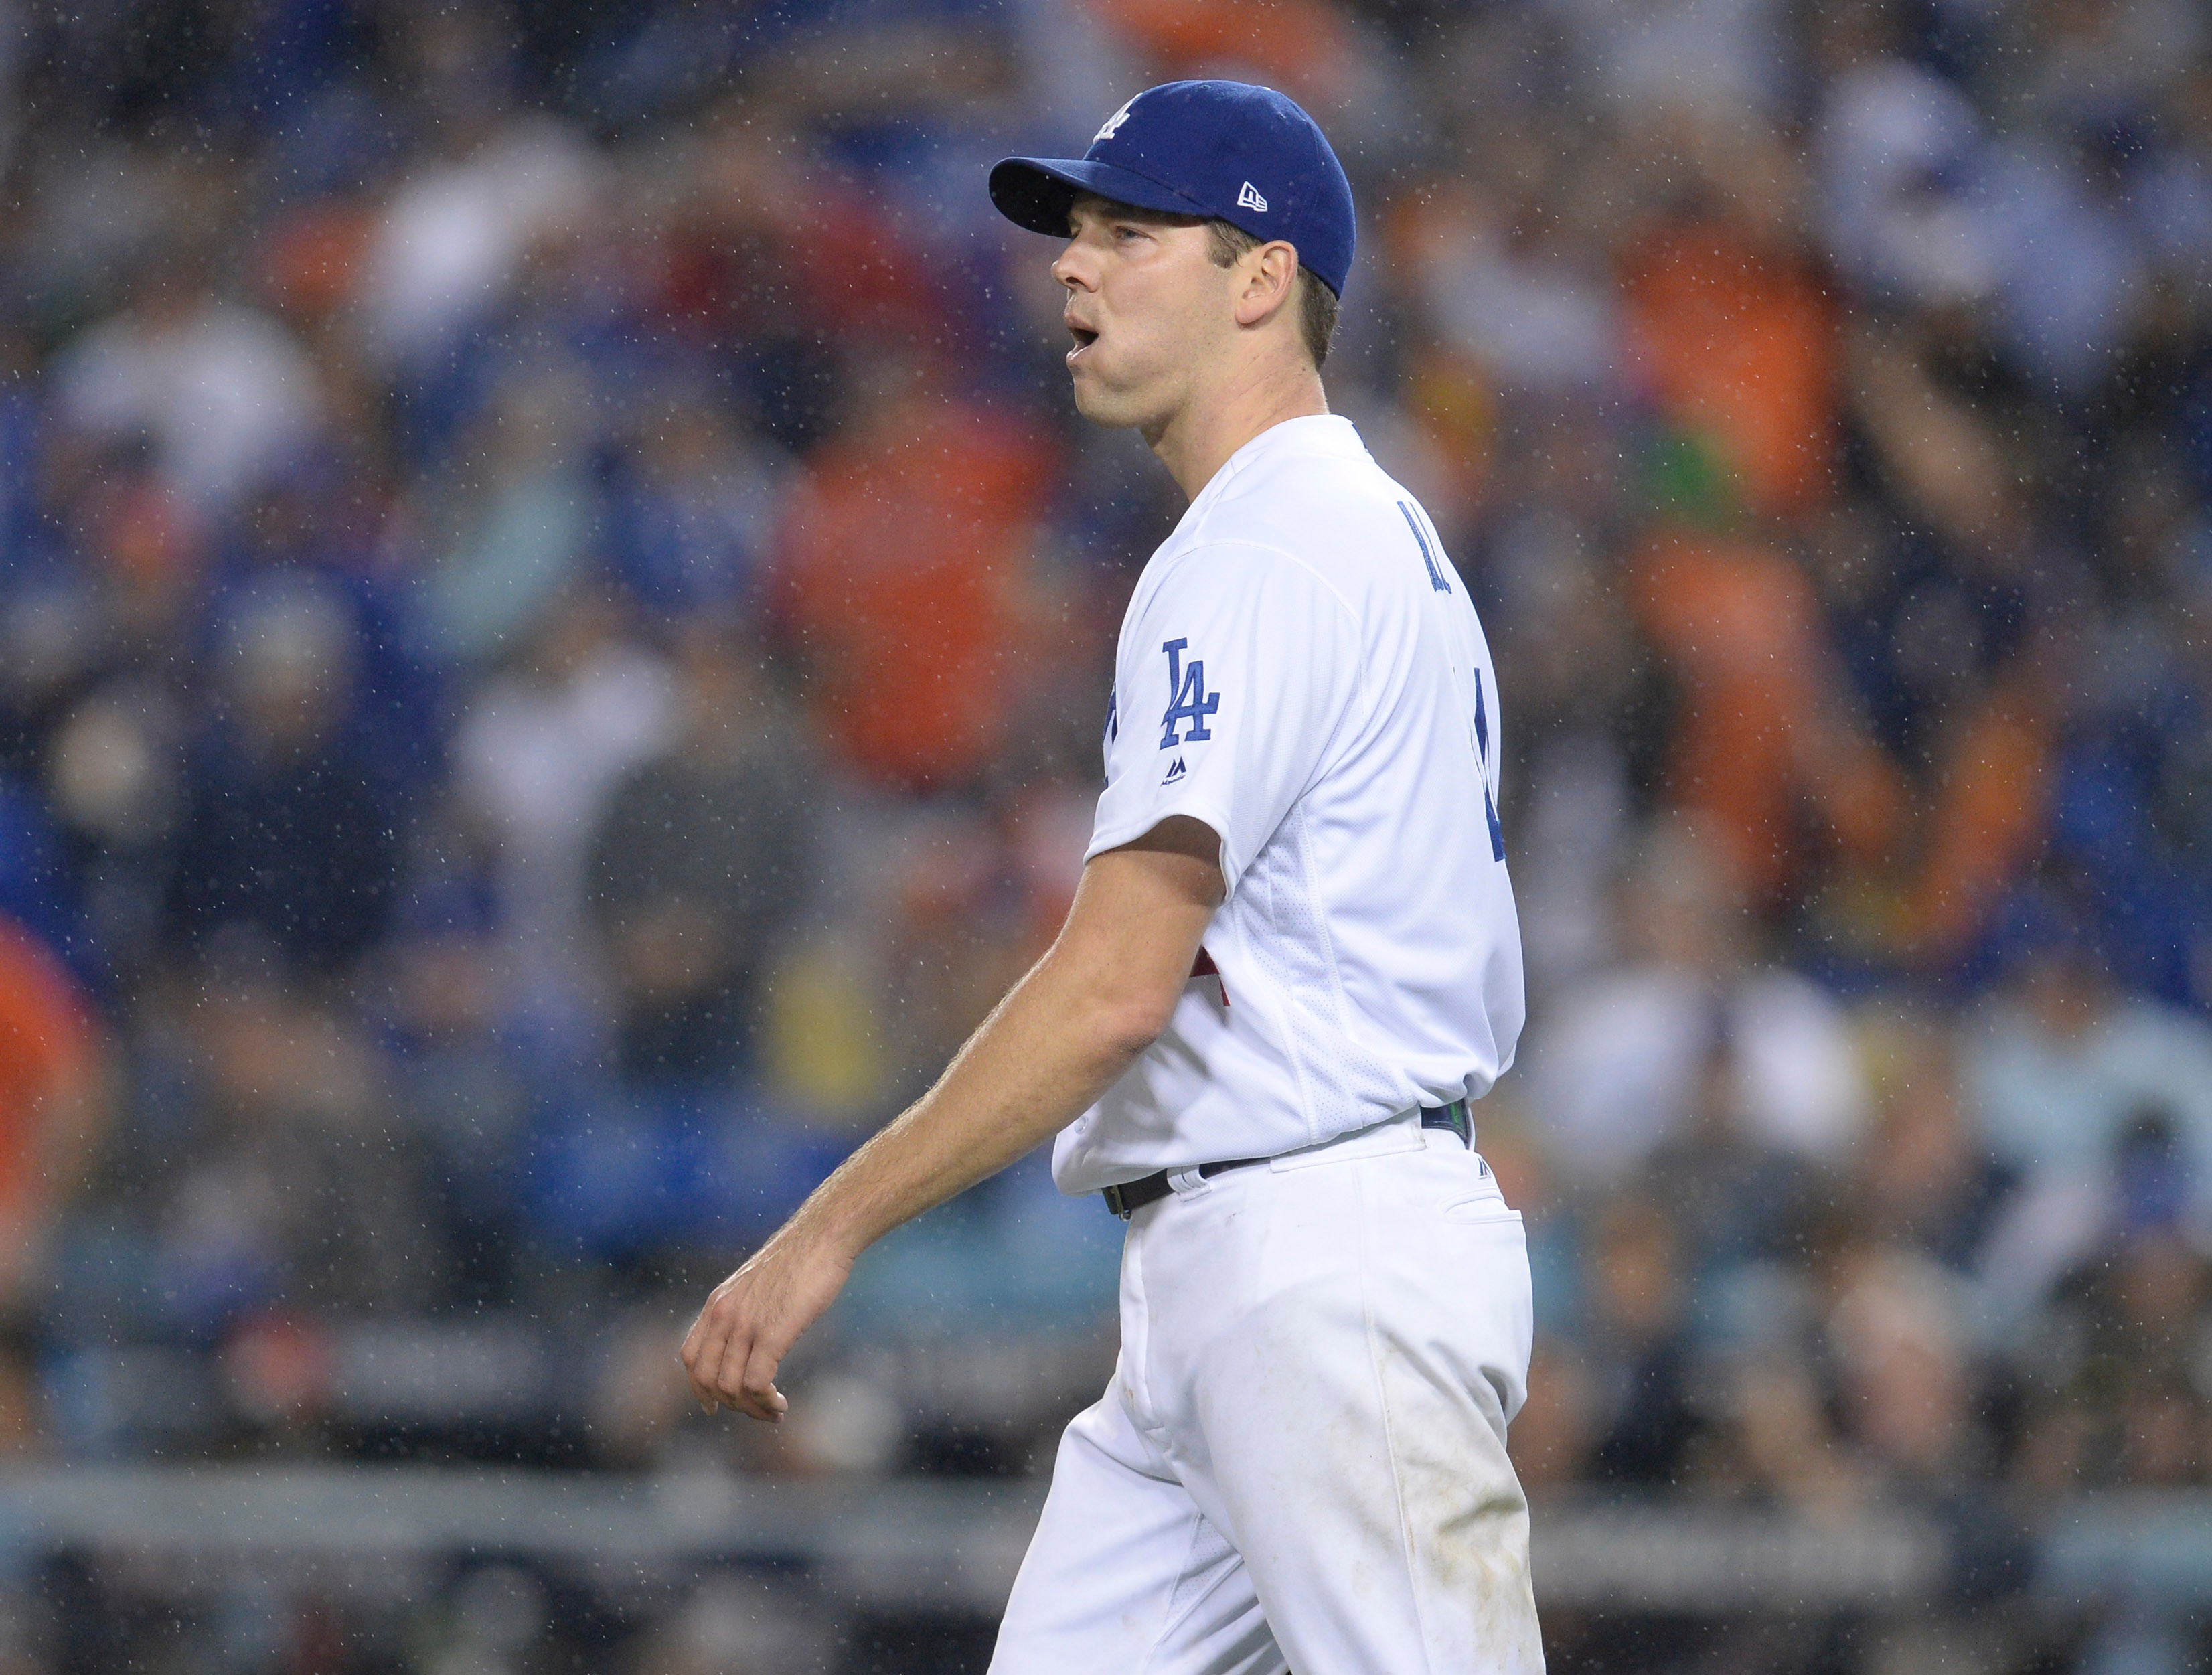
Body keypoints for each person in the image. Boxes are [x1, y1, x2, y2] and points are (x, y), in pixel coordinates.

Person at [681, 80, 1543, 1672]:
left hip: (1323, 1260)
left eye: (1128, 232)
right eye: (1073, 233)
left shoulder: (1264, 547)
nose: (1073, 268)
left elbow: (1113, 986)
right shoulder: (1336, 526)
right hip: (1236, 1276)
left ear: (1260, 277)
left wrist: (826, 1230)